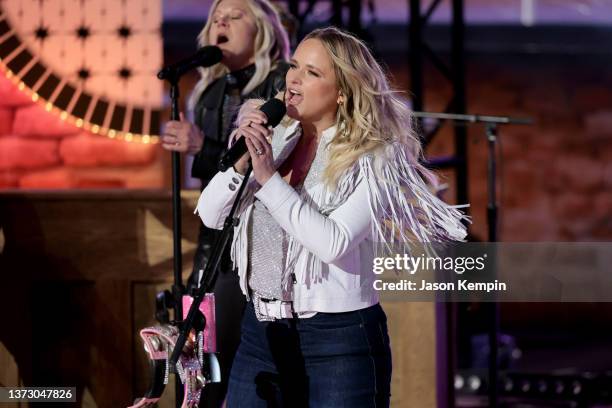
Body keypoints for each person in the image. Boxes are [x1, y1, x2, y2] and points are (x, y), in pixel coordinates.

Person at [196, 27, 468, 407]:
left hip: (337, 340)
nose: (294, 79)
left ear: (342, 92)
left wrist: (269, 180)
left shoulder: (374, 156)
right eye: (294, 67)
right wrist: (243, 161)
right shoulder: (276, 139)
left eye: (312, 72)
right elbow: (210, 214)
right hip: (261, 331)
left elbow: (333, 242)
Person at [160, 1, 290, 406]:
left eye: (235, 15)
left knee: (246, 354)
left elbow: (273, 162)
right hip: (213, 240)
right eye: (216, 16)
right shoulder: (209, 89)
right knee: (203, 354)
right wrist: (200, 152)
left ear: (263, 28)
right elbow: (216, 176)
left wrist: (202, 146)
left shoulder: (283, 83)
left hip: (265, 237)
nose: (221, 21)